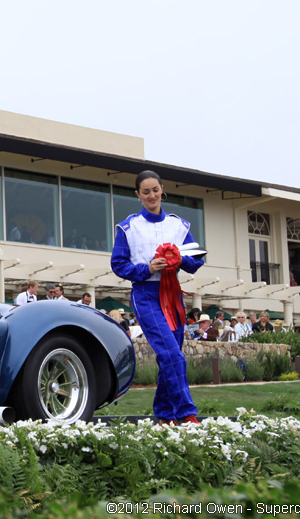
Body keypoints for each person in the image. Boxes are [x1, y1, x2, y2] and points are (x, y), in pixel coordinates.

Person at [111, 169, 204, 425]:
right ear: (138, 195)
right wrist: (147, 269)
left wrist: (180, 259)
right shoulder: (128, 227)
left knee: (170, 355)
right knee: (173, 355)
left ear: (162, 189)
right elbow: (118, 264)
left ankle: (164, 415)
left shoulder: (179, 224)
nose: (151, 195)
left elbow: (197, 260)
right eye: (145, 191)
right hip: (146, 296)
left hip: (173, 296)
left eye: (155, 190)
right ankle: (186, 413)